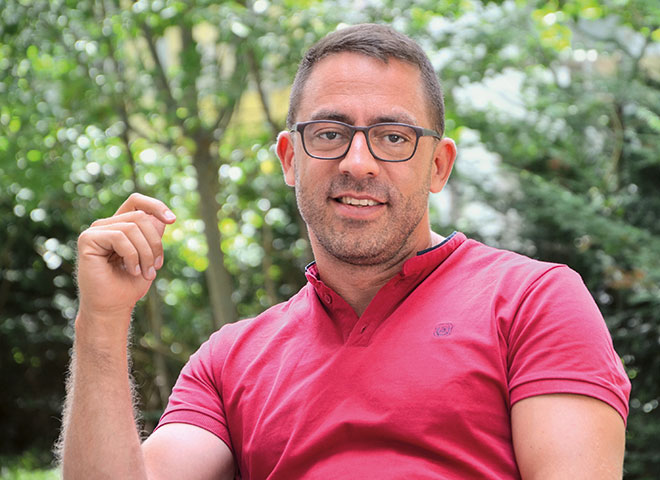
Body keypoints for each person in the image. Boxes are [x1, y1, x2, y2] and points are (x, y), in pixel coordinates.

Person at [59, 24, 630, 479]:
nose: (358, 163)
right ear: (290, 159)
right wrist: (102, 322)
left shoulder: (534, 301)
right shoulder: (229, 362)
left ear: (438, 166)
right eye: (329, 134)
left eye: (393, 137)